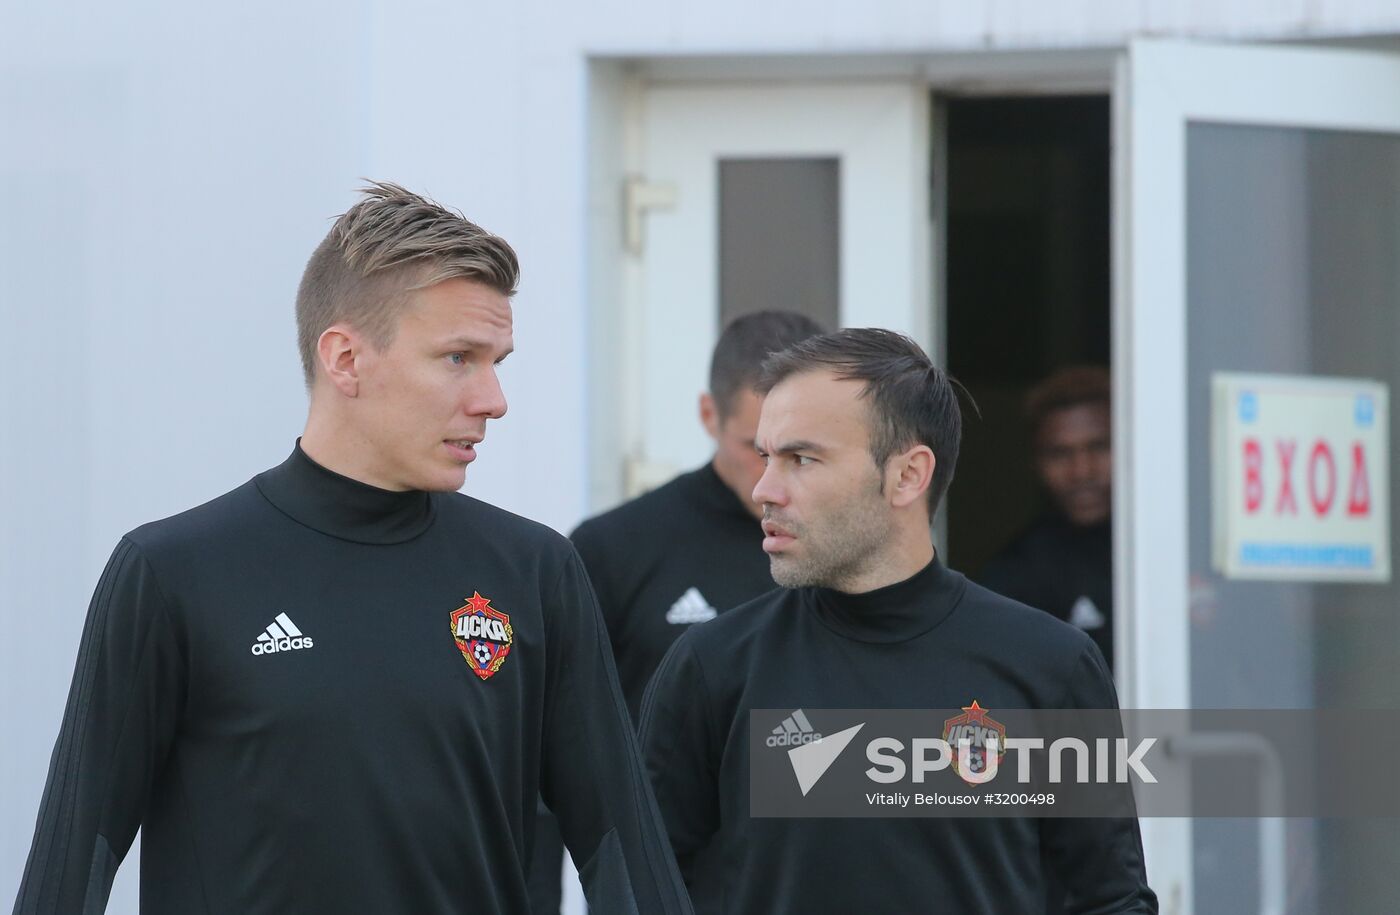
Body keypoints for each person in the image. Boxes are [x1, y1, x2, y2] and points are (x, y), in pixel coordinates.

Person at [12, 183, 692, 915]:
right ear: (345, 359)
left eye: (497, 361)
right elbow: (68, 867)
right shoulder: (173, 572)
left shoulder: (535, 572)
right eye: (458, 358)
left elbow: (629, 861)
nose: (494, 399)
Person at [639, 330, 1155, 913]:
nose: (765, 489)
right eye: (766, 457)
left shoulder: (1050, 666)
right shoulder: (714, 667)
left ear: (908, 475)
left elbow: (1110, 900)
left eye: (801, 459)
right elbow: (639, 888)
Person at [527, 310, 824, 913]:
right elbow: (548, 756)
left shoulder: (848, 552)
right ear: (709, 415)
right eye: (756, 450)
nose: (775, 481)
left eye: (801, 454)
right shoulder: (614, 548)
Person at [981, 366, 1114, 668]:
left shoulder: (1173, 559)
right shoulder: (1014, 576)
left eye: (1099, 447)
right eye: (1060, 454)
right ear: (1036, 463)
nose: (1082, 471)